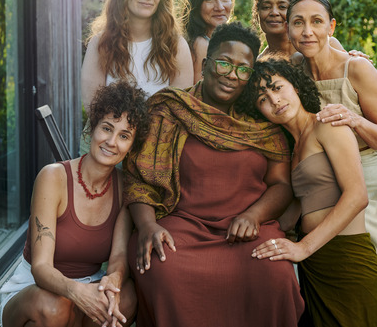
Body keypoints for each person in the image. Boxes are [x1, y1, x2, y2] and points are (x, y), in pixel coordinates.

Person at [123, 22, 304, 327]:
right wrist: (147, 226)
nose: (232, 75)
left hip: (247, 230)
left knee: (275, 275)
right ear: (206, 65)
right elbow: (140, 181)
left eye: (243, 69)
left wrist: (254, 215)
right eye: (223, 63)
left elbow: (281, 185)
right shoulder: (171, 111)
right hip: (182, 228)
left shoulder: (262, 123)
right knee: (163, 268)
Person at [286, 0, 377, 327]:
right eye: (298, 22)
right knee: (365, 270)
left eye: (317, 21)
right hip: (346, 183)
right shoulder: (293, 70)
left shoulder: (356, 68)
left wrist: (355, 120)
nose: (308, 31)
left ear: (331, 26)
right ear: (289, 30)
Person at [241, 59, 377, 327]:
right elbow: (296, 210)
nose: (274, 100)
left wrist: (302, 248)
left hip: (347, 263)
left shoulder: (327, 124)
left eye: (277, 88)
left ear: (296, 86)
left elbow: (357, 196)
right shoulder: (291, 147)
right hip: (315, 268)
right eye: (262, 99)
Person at [1, 81, 150, 327]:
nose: (112, 142)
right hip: (35, 291)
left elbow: (119, 254)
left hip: (90, 284)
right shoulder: (53, 177)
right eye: (107, 128)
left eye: (124, 136)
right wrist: (75, 292)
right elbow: (40, 267)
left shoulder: (125, 188)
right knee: (55, 307)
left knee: (127, 298)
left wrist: (114, 278)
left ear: (131, 146)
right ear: (93, 128)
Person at [81, 0, 193, 110]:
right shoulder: (100, 44)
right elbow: (93, 109)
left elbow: (179, 111)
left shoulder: (176, 46)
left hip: (163, 134)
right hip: (111, 134)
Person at [252, 0, 356, 60]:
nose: (274, 13)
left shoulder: (327, 44)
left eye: (282, 7)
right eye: (266, 7)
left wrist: (357, 59)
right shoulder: (260, 64)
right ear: (257, 14)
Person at [183, 0, 234, 83]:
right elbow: (198, 94)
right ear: (196, 4)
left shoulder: (218, 41)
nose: (220, 7)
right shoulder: (200, 44)